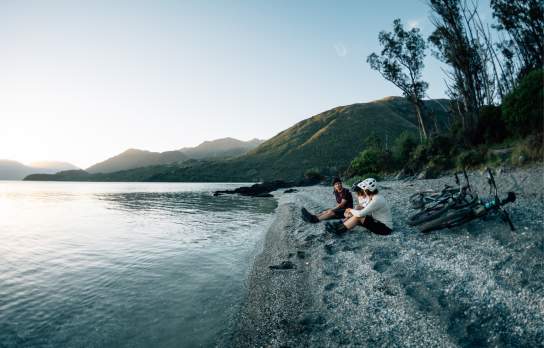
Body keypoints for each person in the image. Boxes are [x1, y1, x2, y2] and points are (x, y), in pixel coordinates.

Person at [326, 178, 393, 235]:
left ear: (367, 190)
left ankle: (338, 230)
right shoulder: (375, 196)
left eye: (363, 189)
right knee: (358, 214)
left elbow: (360, 214)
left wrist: (350, 210)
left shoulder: (376, 200)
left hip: (385, 229)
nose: (362, 191)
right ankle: (340, 226)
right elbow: (366, 209)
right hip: (378, 222)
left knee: (359, 216)